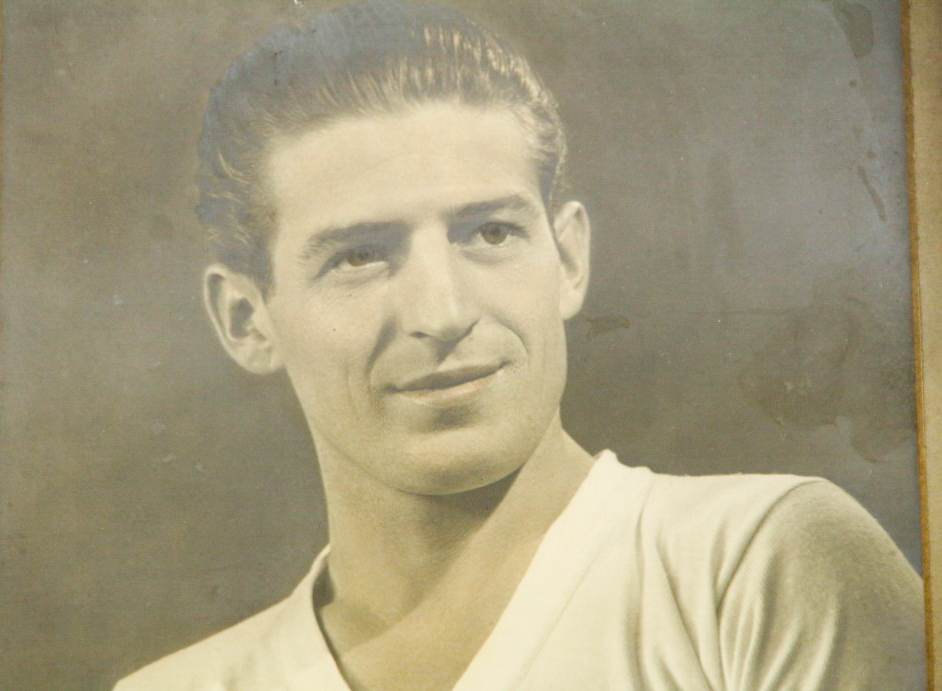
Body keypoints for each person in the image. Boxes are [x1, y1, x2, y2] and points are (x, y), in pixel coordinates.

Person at [115, 1, 925, 688]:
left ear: (566, 259)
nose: (442, 311)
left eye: (490, 232)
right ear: (246, 319)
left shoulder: (752, 566)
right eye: (358, 255)